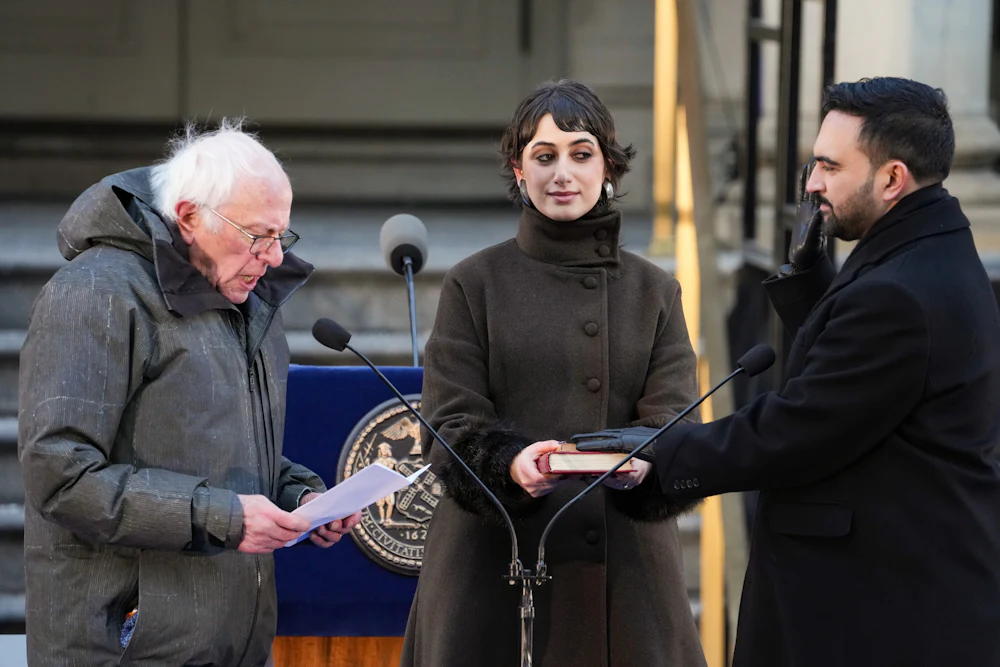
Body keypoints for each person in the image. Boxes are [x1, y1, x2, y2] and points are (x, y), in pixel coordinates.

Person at [576, 77, 1000, 666]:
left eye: (829, 166)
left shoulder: (899, 295)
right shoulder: (931, 252)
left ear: (892, 178)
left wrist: (664, 453)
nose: (812, 184)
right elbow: (859, 383)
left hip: (879, 616)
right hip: (890, 597)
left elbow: (799, 429)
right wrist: (813, 289)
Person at [18, 120, 361, 666]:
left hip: (230, 640)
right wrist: (223, 517)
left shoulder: (247, 299)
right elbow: (59, 475)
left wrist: (301, 497)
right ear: (189, 217)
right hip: (124, 644)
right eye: (257, 236)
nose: (274, 258)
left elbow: (221, 449)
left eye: (282, 235)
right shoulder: (94, 294)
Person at [401, 80, 706, 667]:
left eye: (581, 154)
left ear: (608, 167)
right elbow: (449, 424)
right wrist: (511, 465)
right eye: (544, 157)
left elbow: (675, 419)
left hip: (625, 574)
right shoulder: (473, 283)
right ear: (519, 171)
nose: (562, 172)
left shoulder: (655, 291)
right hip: (492, 567)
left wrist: (644, 460)